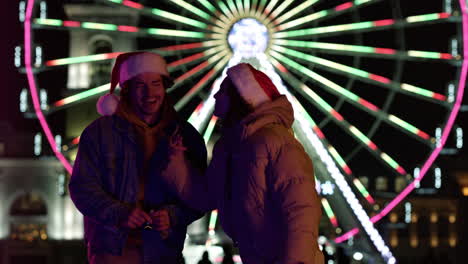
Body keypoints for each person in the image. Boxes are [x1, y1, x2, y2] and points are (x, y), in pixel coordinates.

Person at [69, 51, 207, 264]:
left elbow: (200, 195)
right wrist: (119, 213)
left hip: (163, 250)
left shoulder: (186, 135)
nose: (149, 92)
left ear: (165, 87)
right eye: (139, 85)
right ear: (126, 90)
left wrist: (172, 216)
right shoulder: (99, 133)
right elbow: (82, 188)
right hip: (113, 250)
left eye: (155, 83)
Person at [209, 63, 324, 264]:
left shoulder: (274, 140)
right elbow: (204, 195)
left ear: (242, 98)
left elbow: (301, 211)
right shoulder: (230, 149)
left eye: (223, 92)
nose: (216, 97)